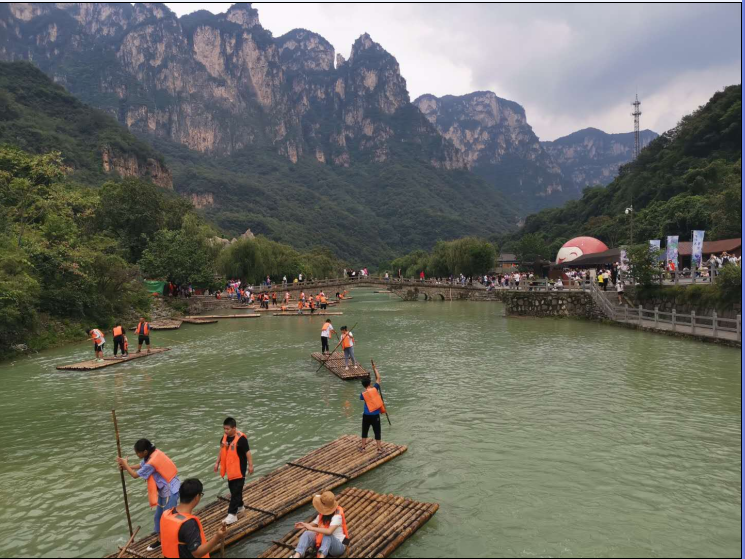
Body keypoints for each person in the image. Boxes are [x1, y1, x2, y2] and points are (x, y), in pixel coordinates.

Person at [117, 439, 181, 553]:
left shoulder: (152, 461)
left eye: (138, 453)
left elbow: (135, 475)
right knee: (158, 517)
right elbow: (141, 466)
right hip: (164, 490)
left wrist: (126, 465)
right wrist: (127, 466)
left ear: (145, 451)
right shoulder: (153, 454)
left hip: (170, 490)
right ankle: (161, 540)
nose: (137, 455)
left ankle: (171, 542)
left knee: (167, 518)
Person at [160, 478, 227, 559]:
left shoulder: (167, 514)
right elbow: (197, 553)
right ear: (197, 497)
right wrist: (217, 536)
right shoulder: (189, 524)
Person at [214, 417, 253, 525]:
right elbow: (221, 451)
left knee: (236, 490)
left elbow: (248, 452)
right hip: (230, 470)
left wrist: (250, 465)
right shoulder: (224, 438)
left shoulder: (241, 439)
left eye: (227, 429)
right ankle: (240, 506)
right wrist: (217, 463)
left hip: (239, 470)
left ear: (234, 428)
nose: (225, 431)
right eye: (224, 429)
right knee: (233, 489)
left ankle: (232, 514)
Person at [291, 491, 348, 559]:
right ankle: (297, 555)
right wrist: (305, 525)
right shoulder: (322, 514)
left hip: (338, 546)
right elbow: (314, 524)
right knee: (307, 533)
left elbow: (329, 531)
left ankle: (321, 556)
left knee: (327, 536)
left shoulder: (337, 516)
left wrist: (312, 528)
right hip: (323, 542)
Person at [360, 365, 385, 454]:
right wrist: (375, 368)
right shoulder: (375, 389)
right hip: (375, 416)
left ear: (363, 385)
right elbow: (378, 378)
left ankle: (363, 448)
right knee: (377, 431)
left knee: (364, 430)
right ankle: (379, 448)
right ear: (370, 383)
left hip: (366, 415)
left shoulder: (363, 394)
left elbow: (363, 398)